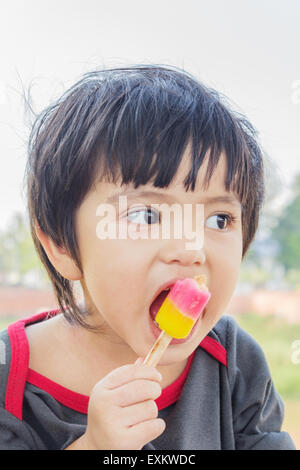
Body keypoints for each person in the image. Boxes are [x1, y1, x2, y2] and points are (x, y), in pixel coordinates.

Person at [0, 65, 296, 450]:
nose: (191, 248)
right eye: (146, 216)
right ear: (62, 245)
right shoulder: (10, 381)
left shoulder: (233, 362)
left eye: (218, 219)